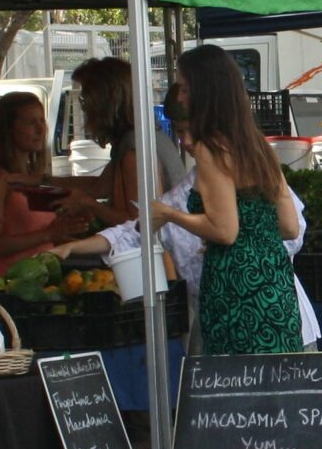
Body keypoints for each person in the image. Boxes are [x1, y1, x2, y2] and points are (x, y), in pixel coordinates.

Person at [153, 44, 304, 354]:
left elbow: (225, 231)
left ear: (203, 90)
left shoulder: (212, 149)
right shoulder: (258, 145)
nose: (180, 96)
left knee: (237, 394)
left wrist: (169, 215)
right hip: (276, 289)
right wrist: (251, 236)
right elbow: (289, 227)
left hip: (236, 293)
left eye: (184, 87)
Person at [0, 89, 94, 265]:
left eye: (42, 120)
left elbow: (47, 237)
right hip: (13, 281)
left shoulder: (33, 175)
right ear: (9, 129)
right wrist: (50, 233)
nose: (41, 129)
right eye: (30, 123)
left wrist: (73, 228)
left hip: (44, 277)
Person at [67, 56, 144, 228]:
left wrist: (90, 204)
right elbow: (100, 186)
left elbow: (138, 224)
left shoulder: (133, 149)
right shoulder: (127, 139)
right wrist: (42, 180)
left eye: (85, 97)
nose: (84, 106)